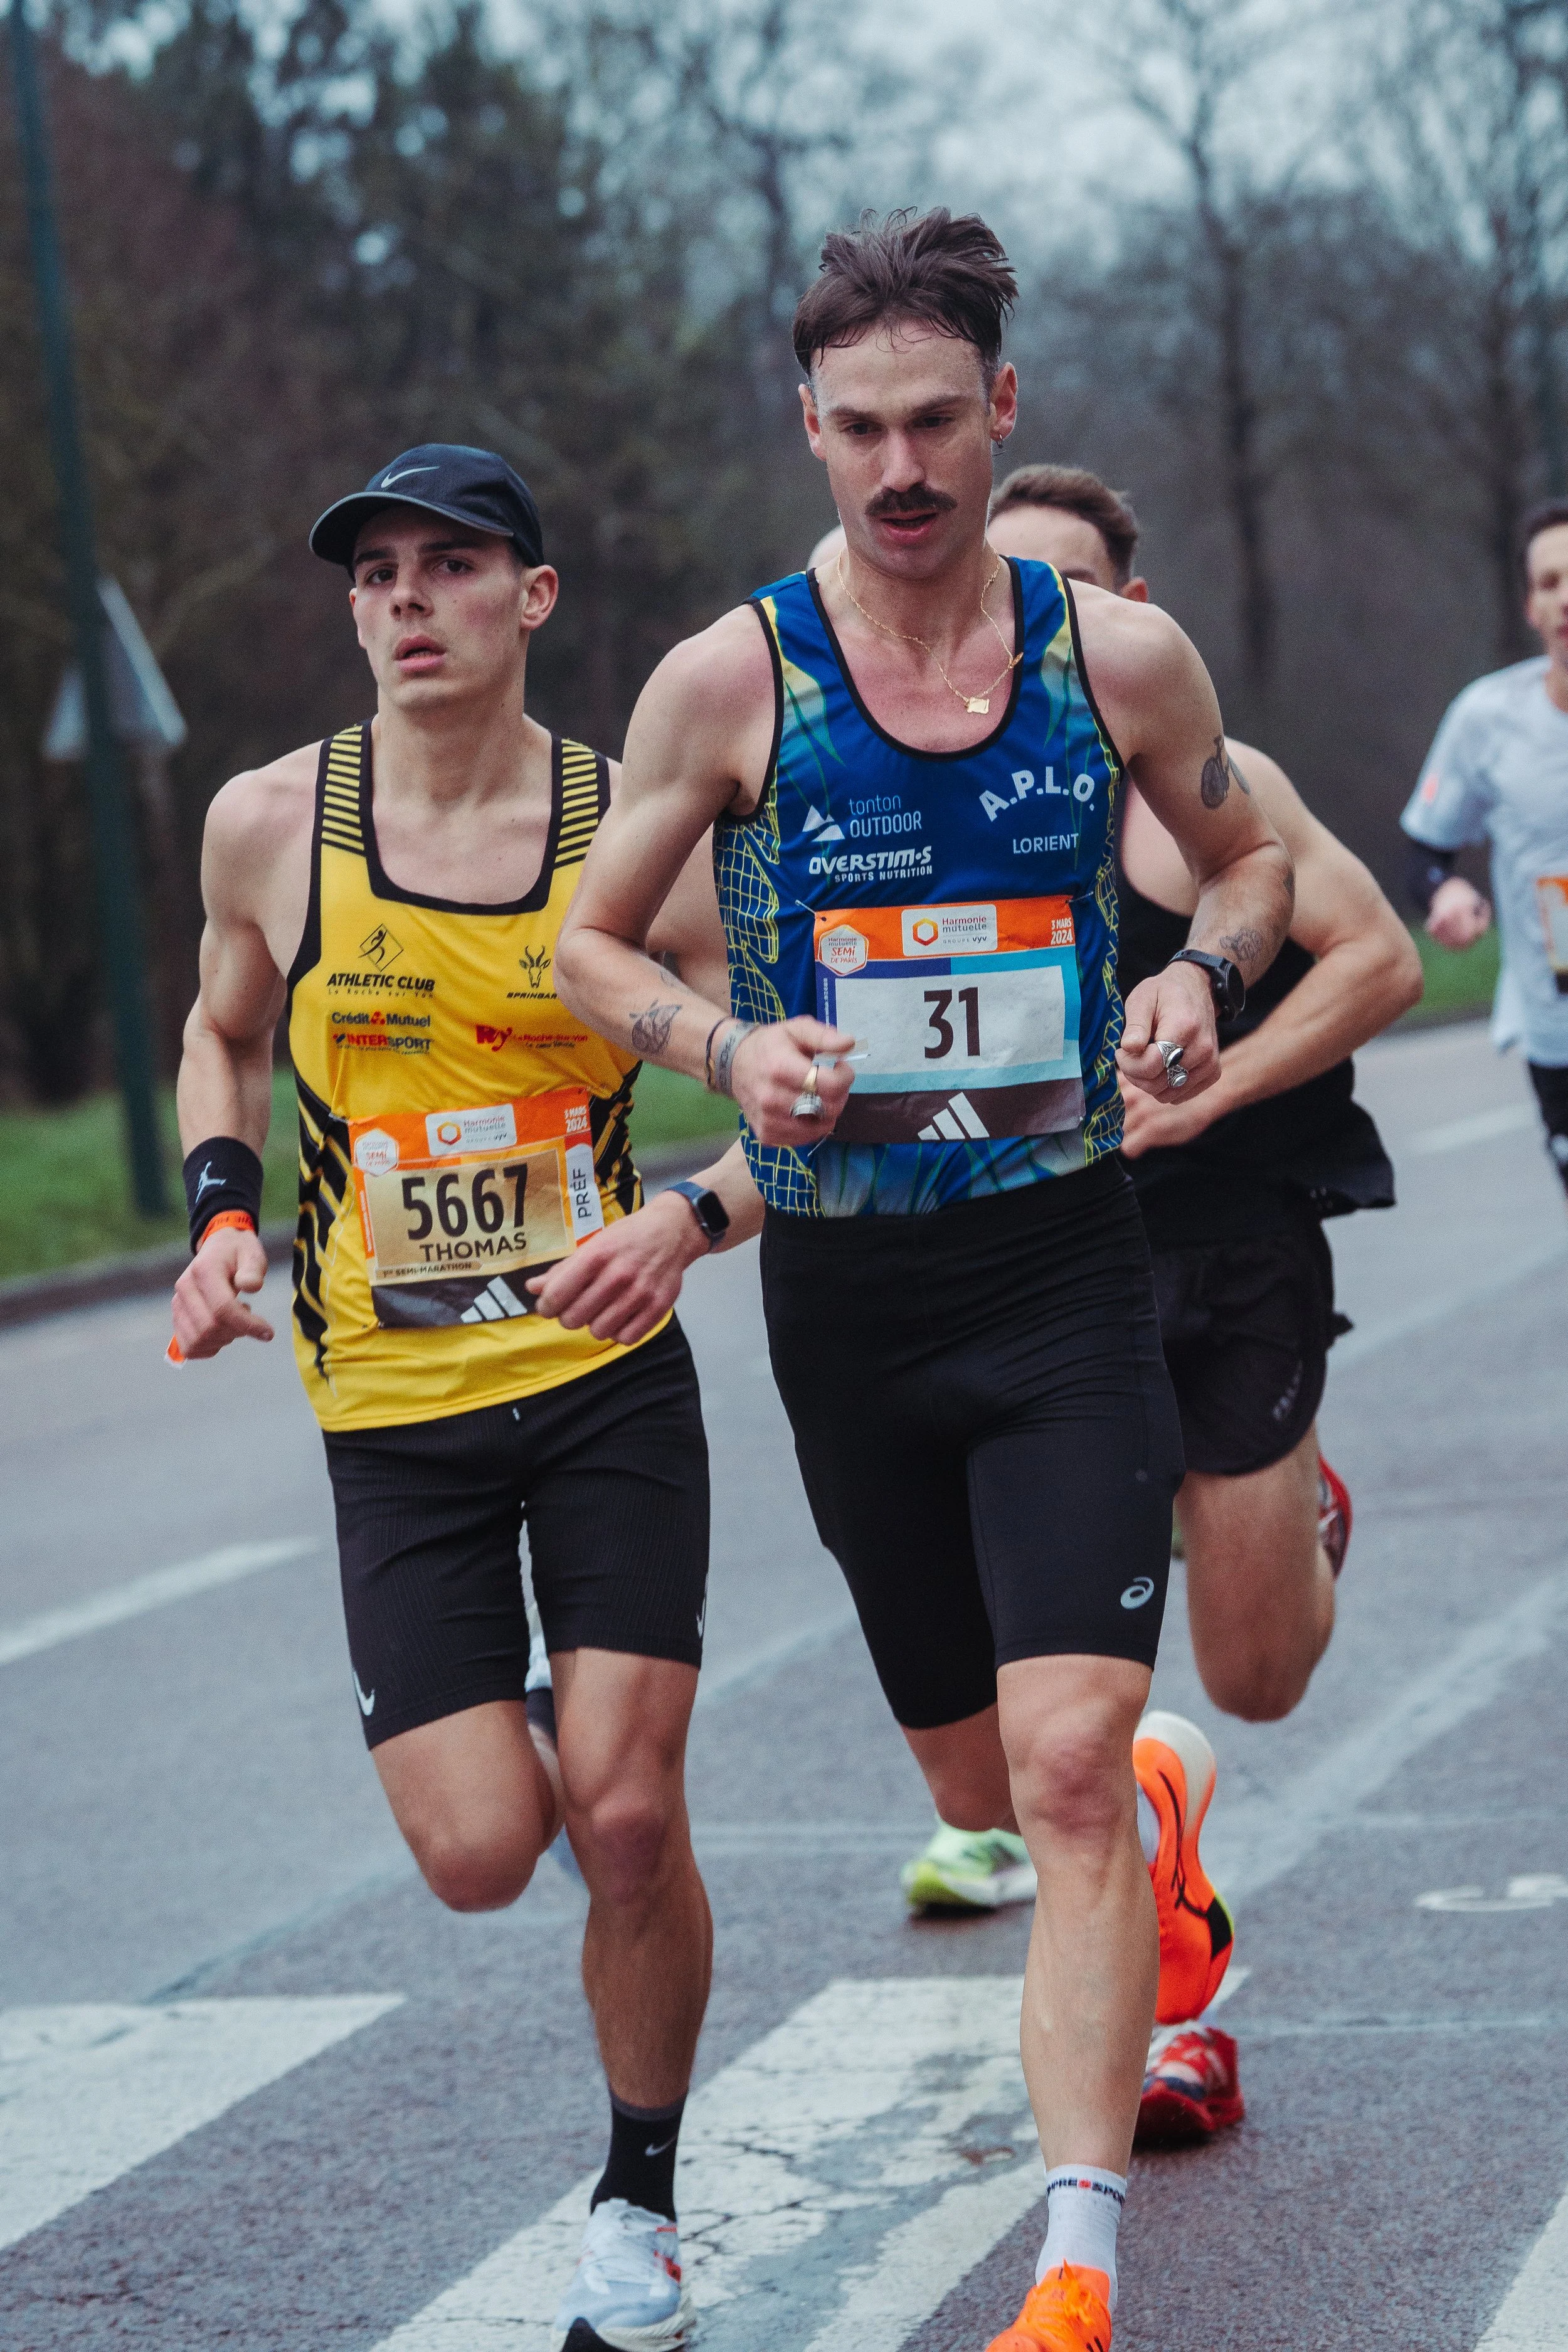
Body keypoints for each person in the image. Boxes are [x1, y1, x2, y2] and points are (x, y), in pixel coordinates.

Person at [553, 209, 1294, 2352]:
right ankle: (1158, 1799)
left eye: (936, 423)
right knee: (985, 1786)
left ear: (1005, 414)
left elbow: (1239, 859)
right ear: (808, 427)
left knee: (1054, 1780)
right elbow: (591, 947)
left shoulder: (1113, 660)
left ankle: (1075, 2261)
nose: (899, 466)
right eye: (859, 426)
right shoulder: (733, 678)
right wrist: (726, 1049)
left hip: (1066, 1266)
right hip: (857, 1305)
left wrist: (1196, 990)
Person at [168, 443, 756, 2352]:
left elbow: (781, 1074)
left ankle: (638, 2207)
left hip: (601, 1383)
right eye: (377, 574)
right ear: (352, 610)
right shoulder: (270, 822)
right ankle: (540, 1727)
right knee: (485, 1847)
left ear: (534, 596)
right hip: (394, 1417)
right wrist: (219, 1211)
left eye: (451, 564)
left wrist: (685, 1214)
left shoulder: (626, 827)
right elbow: (224, 1027)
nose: (407, 599)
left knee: (633, 1813)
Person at [906, 462, 1421, 2141]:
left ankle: (1292, 1503)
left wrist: (1215, 1084)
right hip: (1045, 1272)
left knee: (1257, 1672)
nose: (1042, 626)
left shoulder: (1206, 787)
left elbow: (1379, 958)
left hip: (1237, 1242)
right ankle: (1171, 1984)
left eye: (1076, 593)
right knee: (1059, 1724)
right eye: (1013, 593)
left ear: (1130, 611)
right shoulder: (921, 804)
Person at [1402, 497, 1568, 1195]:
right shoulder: (1486, 719)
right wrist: (1447, 891)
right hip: (1556, 1029)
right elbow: (1424, 852)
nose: (1566, 597)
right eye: (1550, 582)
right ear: (1531, 608)